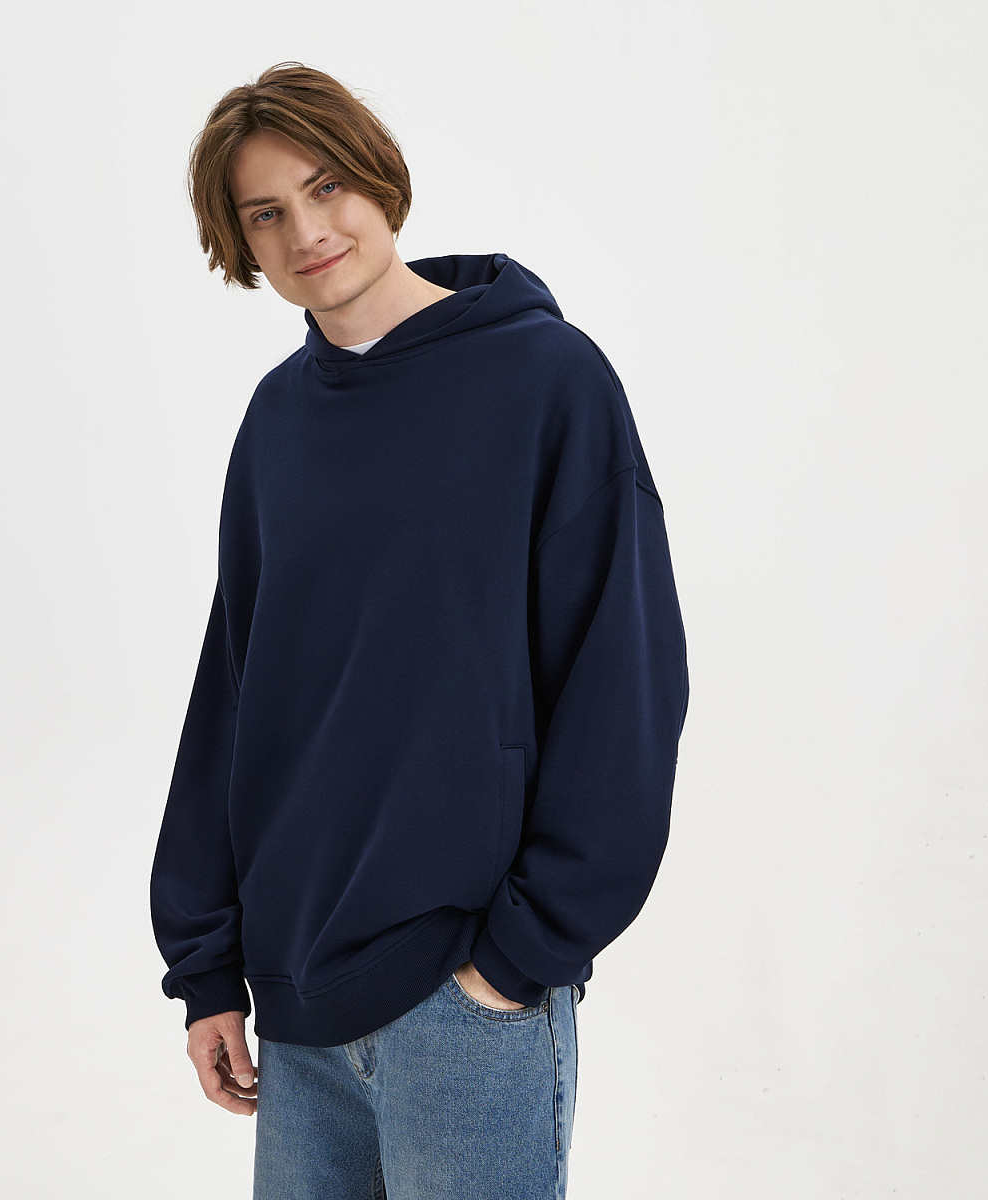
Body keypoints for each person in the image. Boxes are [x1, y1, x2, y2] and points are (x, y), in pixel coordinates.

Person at [150, 60, 690, 1200]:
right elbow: (237, 696)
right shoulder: (277, 422)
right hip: (295, 1009)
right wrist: (208, 970)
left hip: (467, 996)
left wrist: (516, 960)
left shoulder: (547, 380)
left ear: (380, 176)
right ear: (240, 243)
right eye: (266, 213)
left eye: (327, 186)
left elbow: (624, 681)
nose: (309, 231)